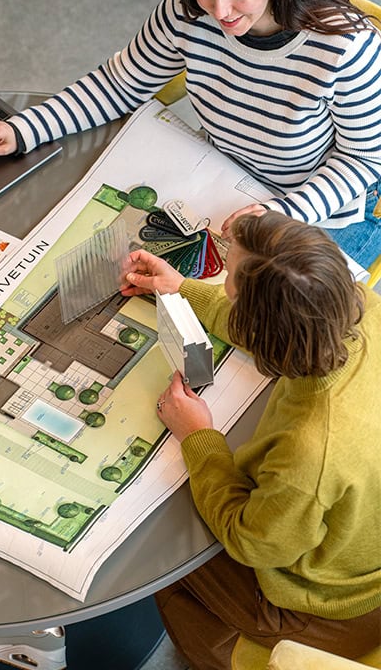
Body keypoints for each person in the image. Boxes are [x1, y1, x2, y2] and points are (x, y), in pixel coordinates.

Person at [0, 0, 381, 268]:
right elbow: (118, 85)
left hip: (322, 209)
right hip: (226, 176)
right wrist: (27, 128)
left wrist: (282, 213)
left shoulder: (344, 45)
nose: (220, 13)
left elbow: (363, 159)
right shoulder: (186, 12)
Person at [119, 211, 381, 669]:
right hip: (356, 547)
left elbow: (254, 542)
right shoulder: (359, 302)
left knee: (151, 556)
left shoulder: (311, 451)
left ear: (266, 331)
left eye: (231, 287)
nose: (224, 291)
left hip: (328, 606)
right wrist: (180, 289)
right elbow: (269, 318)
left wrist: (199, 437)